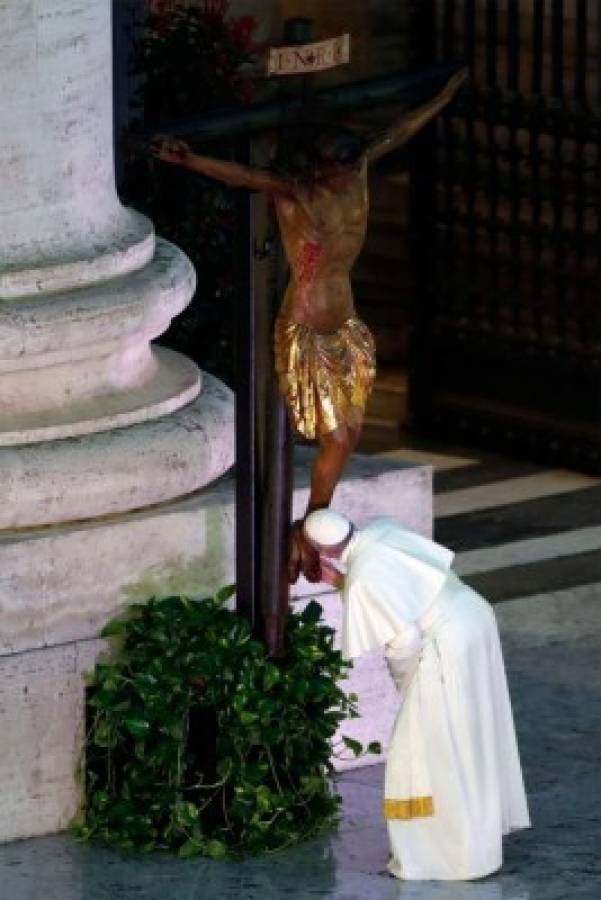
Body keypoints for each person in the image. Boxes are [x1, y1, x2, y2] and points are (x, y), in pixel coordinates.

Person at [152, 69, 467, 583]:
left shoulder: (358, 169)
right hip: (306, 327)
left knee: (352, 433)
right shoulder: (296, 193)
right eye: (335, 171)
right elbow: (242, 177)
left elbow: (399, 131)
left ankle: (315, 522)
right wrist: (190, 160)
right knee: (337, 437)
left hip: (345, 322)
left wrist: (443, 96)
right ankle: (313, 523)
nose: (344, 178)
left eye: (348, 168)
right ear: (319, 168)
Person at [303, 508, 531, 881]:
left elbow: (404, 642)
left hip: (444, 650)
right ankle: (478, 841)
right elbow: (399, 586)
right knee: (470, 738)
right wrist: (343, 583)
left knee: (431, 753)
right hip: (473, 618)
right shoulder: (382, 530)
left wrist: (410, 687)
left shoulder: (362, 580)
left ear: (322, 551)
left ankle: (452, 858)